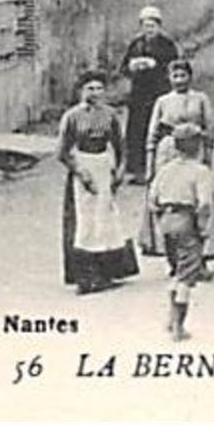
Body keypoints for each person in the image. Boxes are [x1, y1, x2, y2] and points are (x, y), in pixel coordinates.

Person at [139, 60, 214, 271]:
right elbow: (152, 134)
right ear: (169, 79)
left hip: (194, 149)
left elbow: (211, 129)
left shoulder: (200, 99)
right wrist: (151, 165)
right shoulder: (162, 101)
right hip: (168, 151)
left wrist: (206, 153)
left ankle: (202, 255)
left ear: (190, 76)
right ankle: (172, 255)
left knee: (197, 200)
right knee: (170, 199)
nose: (179, 80)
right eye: (175, 76)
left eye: (183, 75)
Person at [57, 69, 140, 295]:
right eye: (90, 88)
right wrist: (81, 173)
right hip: (84, 167)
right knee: (86, 222)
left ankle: (107, 272)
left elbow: (122, 146)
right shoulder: (72, 116)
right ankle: (85, 276)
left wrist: (120, 171)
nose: (95, 92)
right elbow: (62, 152)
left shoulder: (110, 115)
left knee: (107, 220)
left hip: (104, 166)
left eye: (99, 88)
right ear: (81, 91)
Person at [148, 123, 214, 341]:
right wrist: (203, 227)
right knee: (187, 277)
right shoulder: (200, 171)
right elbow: (204, 204)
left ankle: (170, 318)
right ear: (198, 147)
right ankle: (179, 326)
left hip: (166, 220)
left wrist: (162, 218)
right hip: (187, 220)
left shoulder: (166, 170)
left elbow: (152, 200)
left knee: (177, 270)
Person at [120, 7, 182, 182]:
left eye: (152, 26)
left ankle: (160, 168)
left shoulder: (167, 45)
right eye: (146, 26)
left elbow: (174, 67)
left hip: (158, 92)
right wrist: (132, 67)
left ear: (159, 26)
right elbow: (123, 67)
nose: (149, 30)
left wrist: (156, 65)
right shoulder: (136, 44)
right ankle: (137, 169)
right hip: (139, 94)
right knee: (137, 130)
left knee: (158, 129)